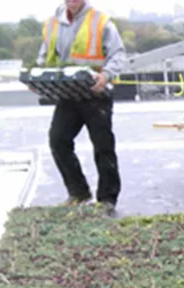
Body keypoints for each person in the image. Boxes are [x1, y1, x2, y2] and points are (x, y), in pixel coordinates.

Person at [37, 0, 125, 213]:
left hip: (96, 94)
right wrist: (39, 76)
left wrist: (106, 75)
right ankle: (78, 192)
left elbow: (118, 54)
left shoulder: (100, 21)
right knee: (58, 140)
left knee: (103, 146)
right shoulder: (53, 23)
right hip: (68, 94)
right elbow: (45, 56)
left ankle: (107, 198)